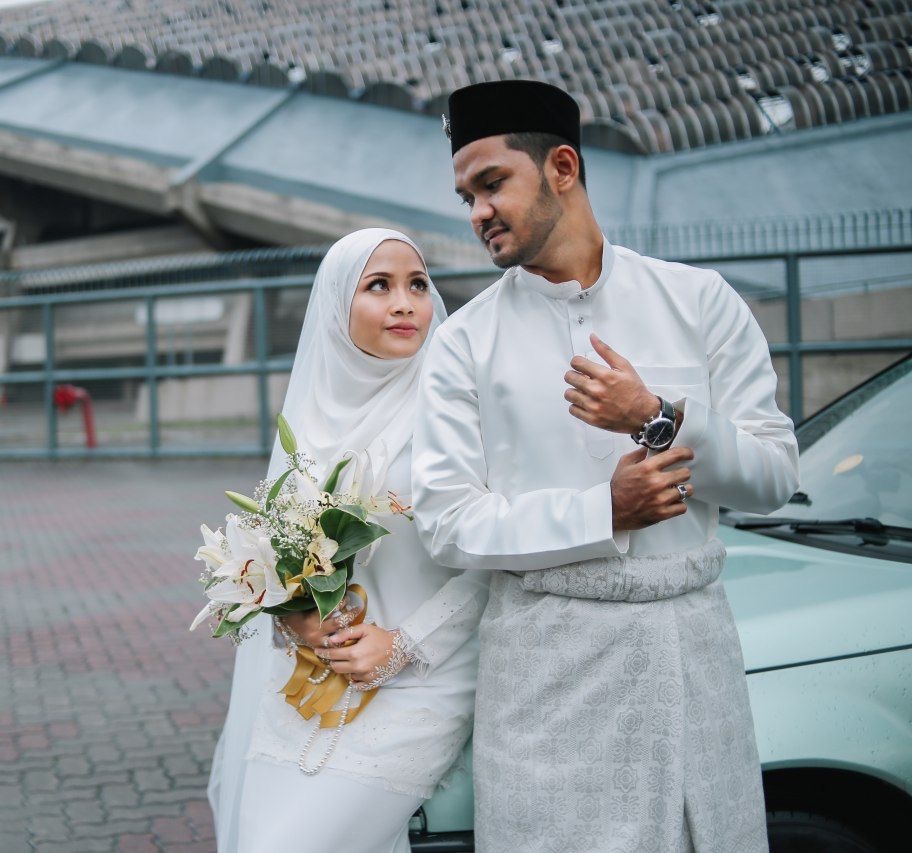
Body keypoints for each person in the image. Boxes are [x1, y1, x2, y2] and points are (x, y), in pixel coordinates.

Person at [412, 80, 799, 853]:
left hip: (689, 657)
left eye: (492, 183)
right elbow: (446, 522)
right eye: (467, 196)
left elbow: (773, 474)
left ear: (562, 167)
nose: (478, 211)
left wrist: (658, 415)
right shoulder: (463, 344)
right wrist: (605, 511)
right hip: (545, 677)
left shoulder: (700, 300)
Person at [207, 228, 490, 853]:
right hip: (313, 677)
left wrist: (403, 645)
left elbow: (494, 557)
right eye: (378, 286)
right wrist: (295, 620)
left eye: (418, 285)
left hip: (428, 674)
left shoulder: (457, 410)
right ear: (338, 305)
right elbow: (285, 560)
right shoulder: (309, 418)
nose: (405, 303)